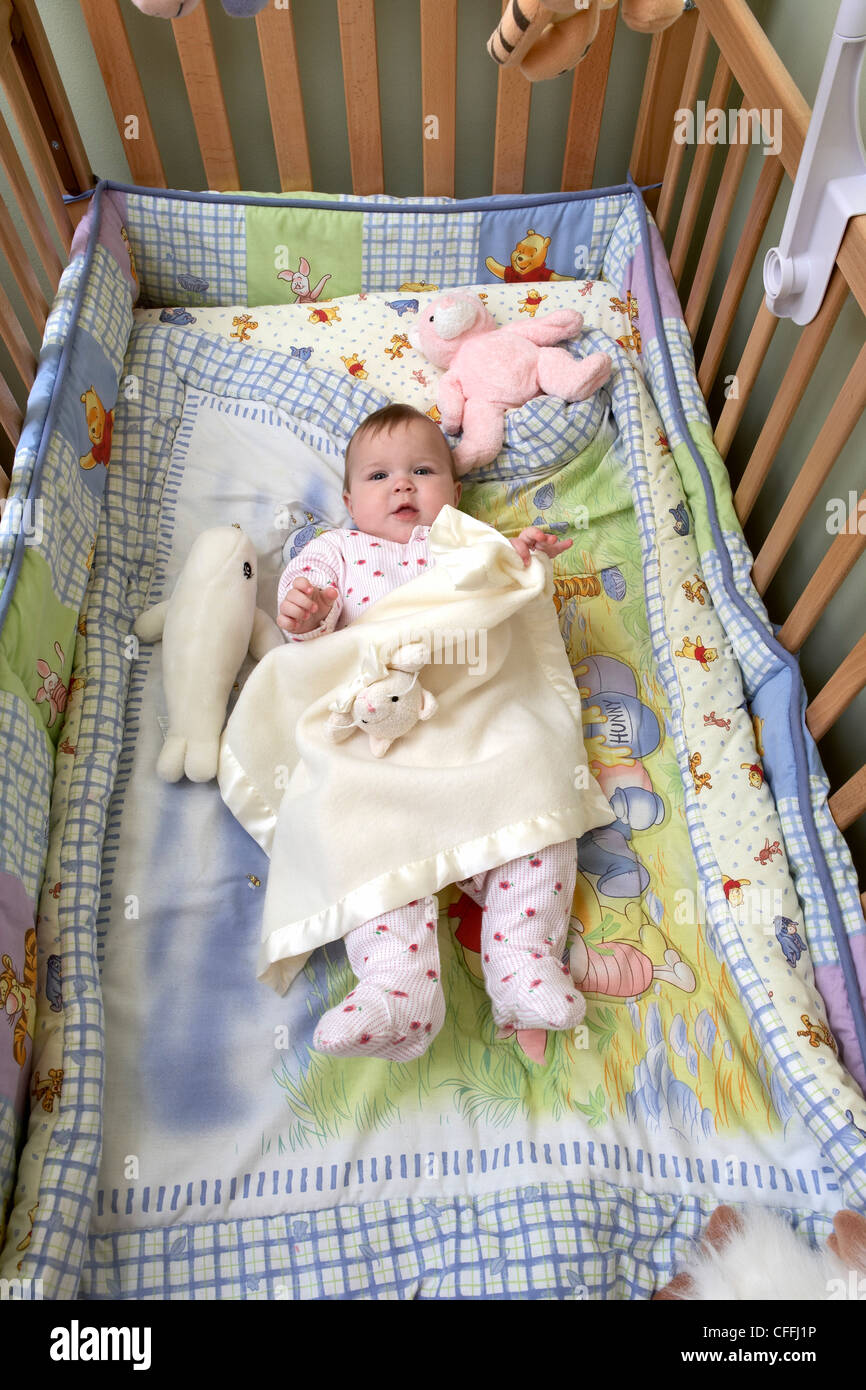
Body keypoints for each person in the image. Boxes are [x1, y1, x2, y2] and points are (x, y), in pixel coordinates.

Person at [276, 402, 583, 1062]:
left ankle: (523, 961)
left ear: (456, 490)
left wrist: (521, 562)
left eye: (422, 470)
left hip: (476, 715)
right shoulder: (337, 548)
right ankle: (397, 989)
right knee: (357, 830)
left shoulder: (463, 537)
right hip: (382, 740)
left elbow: (501, 592)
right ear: (349, 499)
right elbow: (304, 623)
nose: (403, 486)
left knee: (539, 786)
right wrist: (306, 609)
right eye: (379, 475)